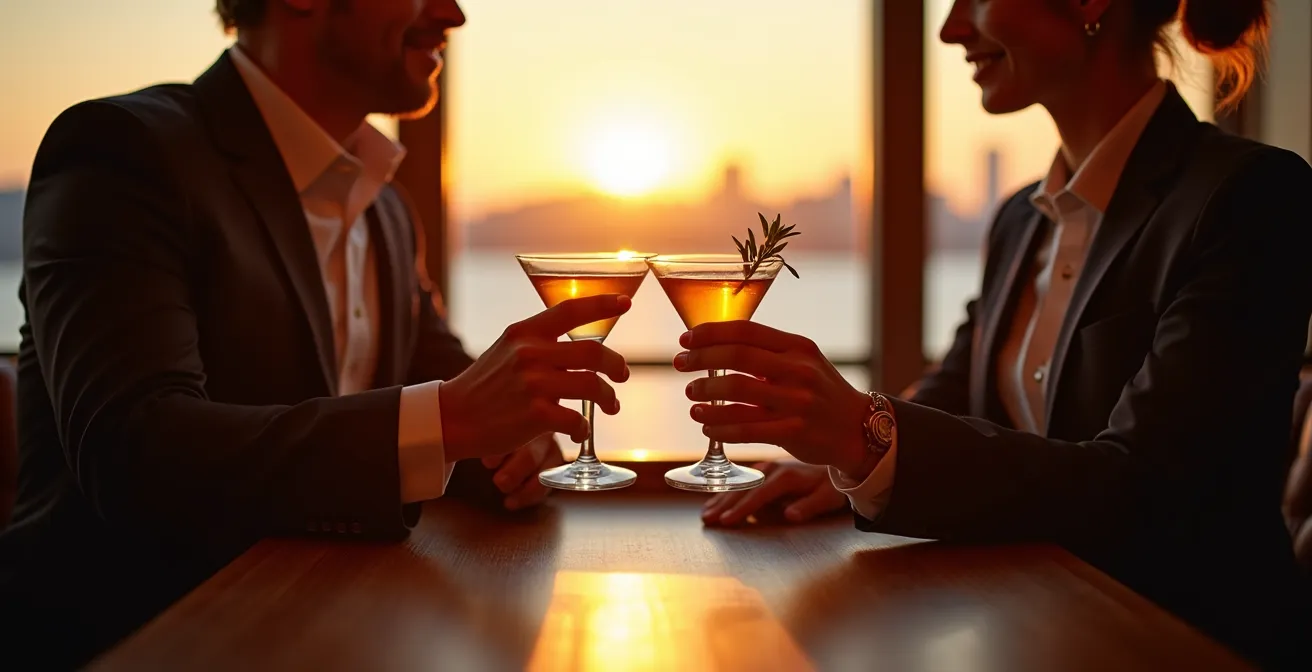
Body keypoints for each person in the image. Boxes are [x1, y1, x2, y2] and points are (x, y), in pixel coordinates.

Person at [0, 0, 633, 667]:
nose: (452, 14)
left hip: (330, 631)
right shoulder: (124, 152)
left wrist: (511, 445)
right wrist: (451, 420)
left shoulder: (383, 208)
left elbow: (441, 381)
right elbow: (134, 450)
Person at [682, 0, 1312, 668]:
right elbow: (956, 397)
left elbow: (1149, 490)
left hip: (1184, 645)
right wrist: (842, 466)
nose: (951, 29)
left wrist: (872, 436)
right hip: (1031, 627)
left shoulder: (1250, 196)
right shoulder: (1021, 218)